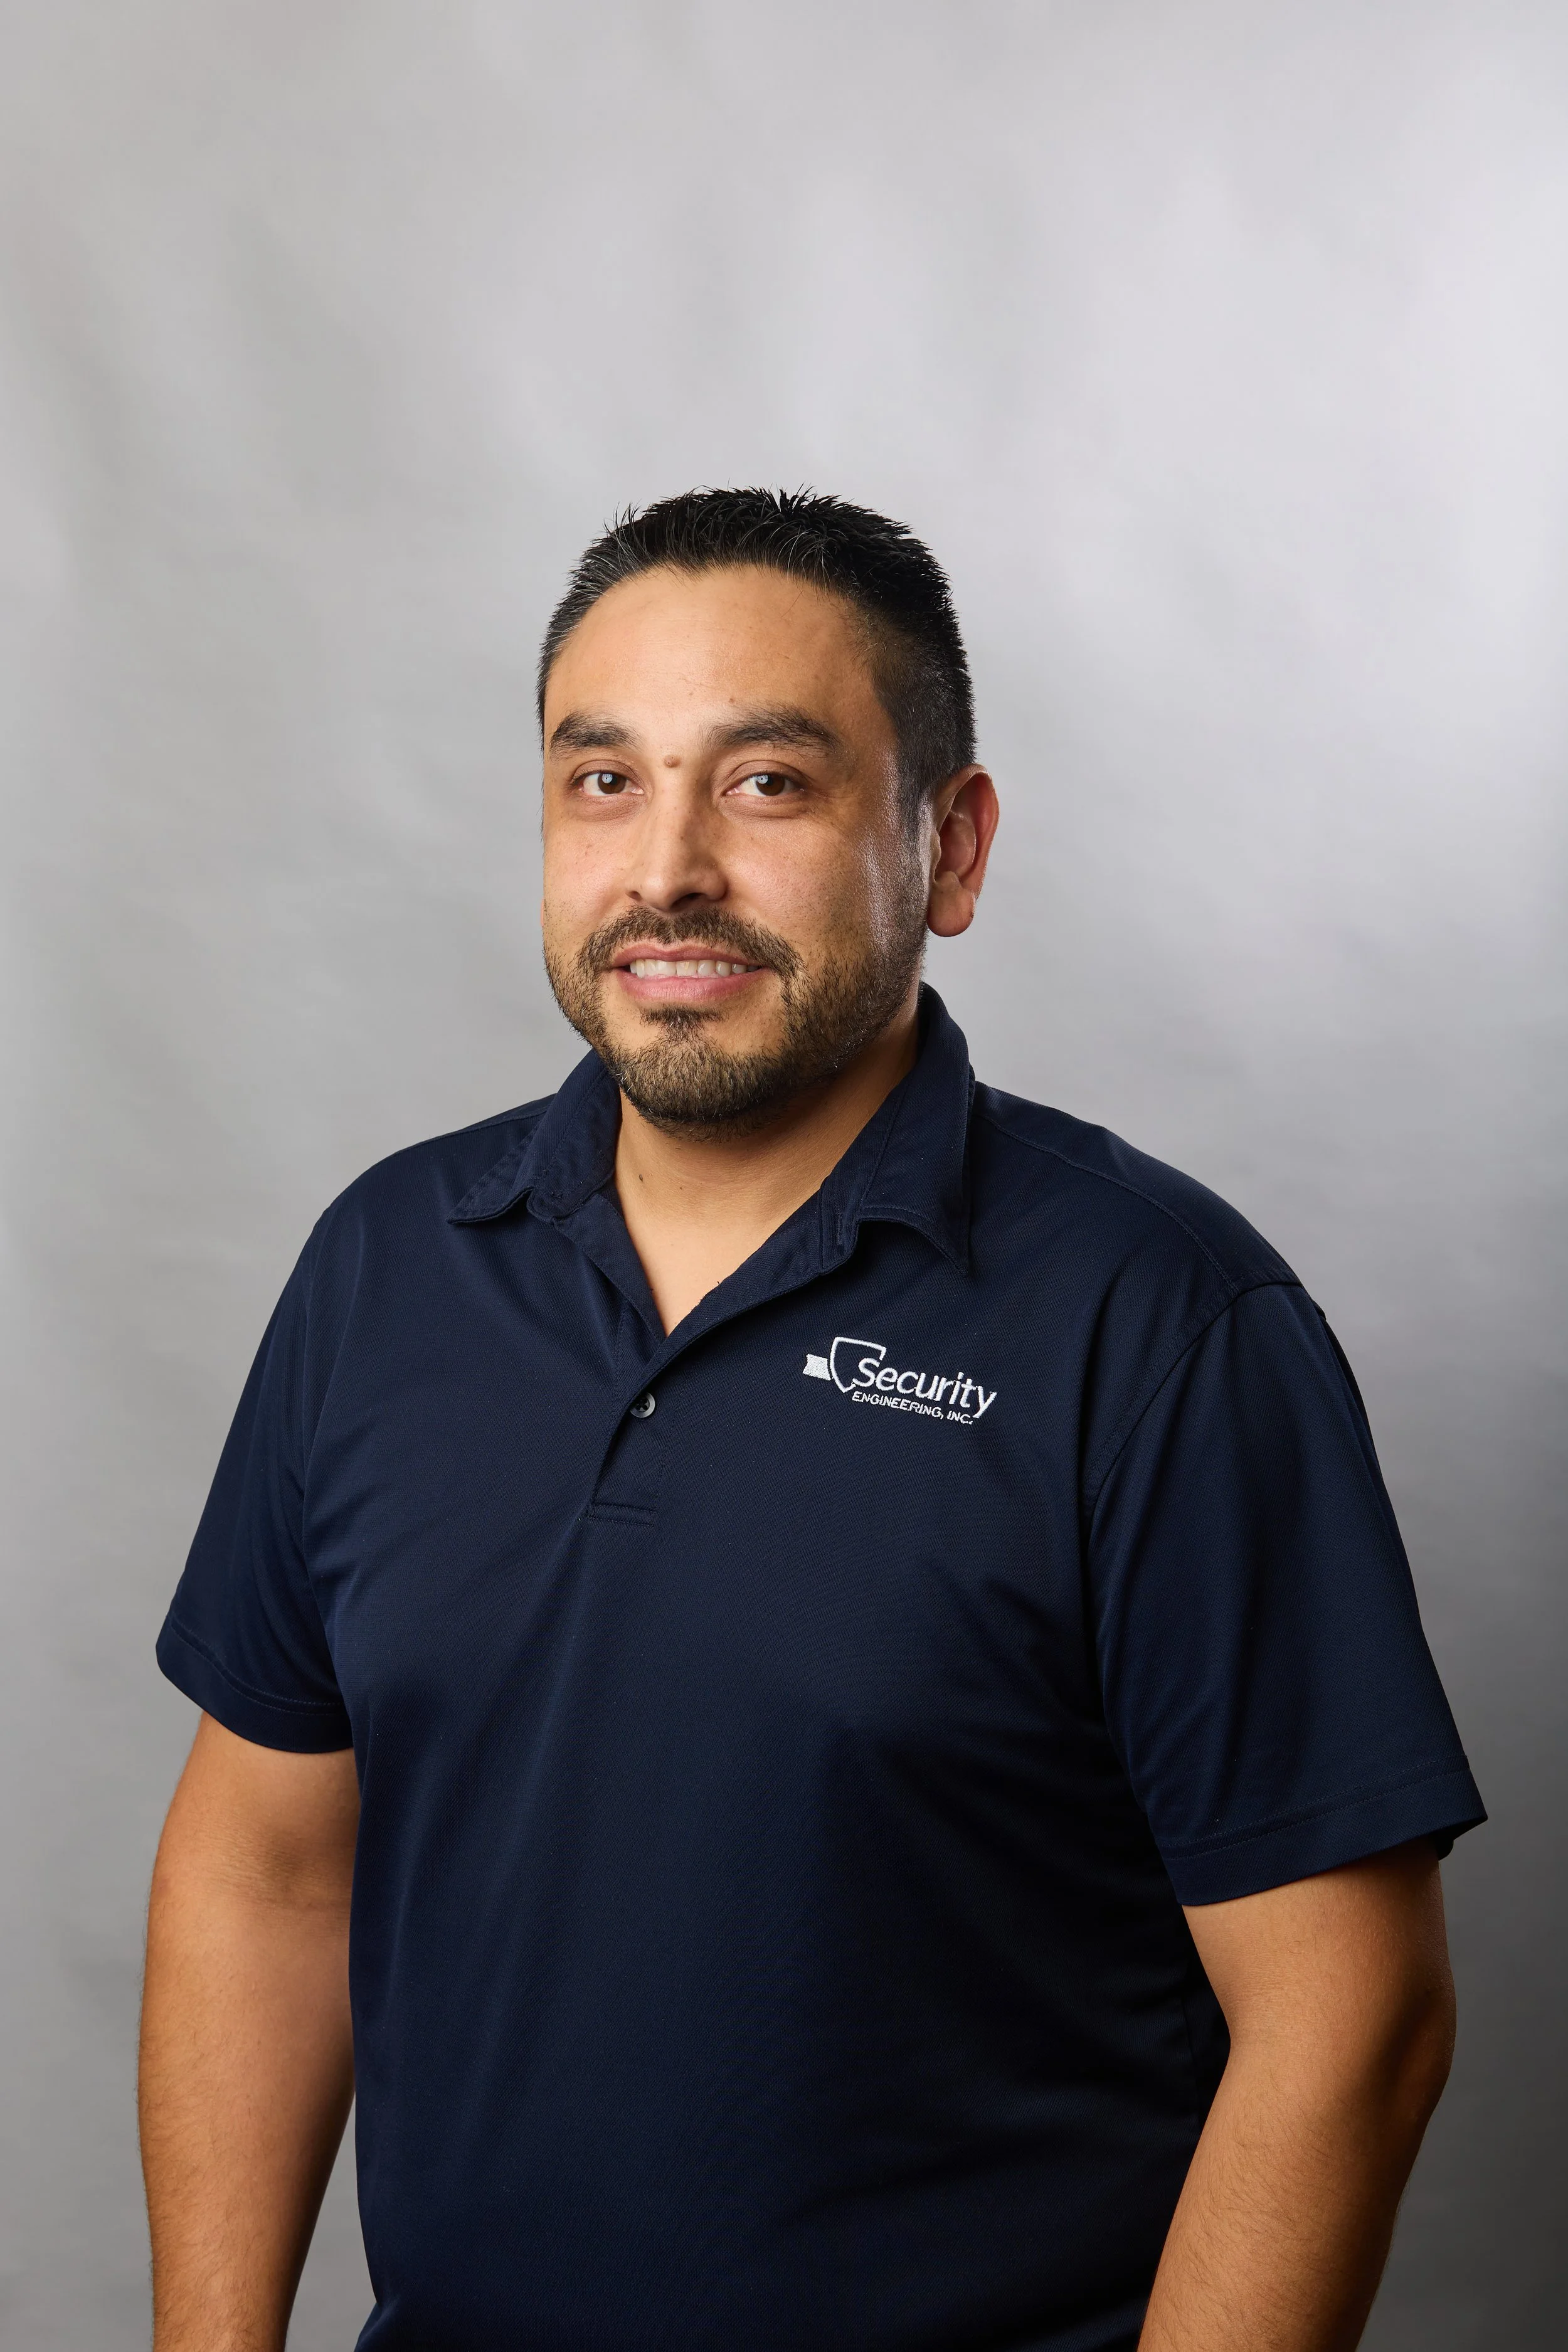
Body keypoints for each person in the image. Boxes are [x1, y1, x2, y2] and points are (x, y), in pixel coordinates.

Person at [140, 489, 1484, 2352]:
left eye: (767, 782)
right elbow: (266, 1864)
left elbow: (1354, 2021)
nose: (667, 867)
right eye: (600, 780)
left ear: (950, 845)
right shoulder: (387, 1268)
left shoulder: (1157, 1323)